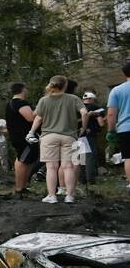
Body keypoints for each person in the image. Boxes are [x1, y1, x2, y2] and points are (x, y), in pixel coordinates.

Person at [28, 74, 87, 204]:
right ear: (65, 85)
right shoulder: (73, 98)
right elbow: (84, 112)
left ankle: (52, 196)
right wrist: (83, 127)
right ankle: (70, 196)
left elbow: (37, 118)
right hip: (69, 136)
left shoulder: (44, 100)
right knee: (68, 167)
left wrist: (31, 132)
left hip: (49, 136)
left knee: (51, 167)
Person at [6, 82, 39, 199]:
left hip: (19, 136)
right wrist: (41, 108)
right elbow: (30, 117)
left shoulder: (10, 103)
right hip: (24, 138)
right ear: (23, 90)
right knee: (23, 161)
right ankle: (19, 189)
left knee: (28, 160)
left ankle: (23, 186)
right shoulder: (20, 103)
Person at [107, 62, 130, 194]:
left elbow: (111, 114)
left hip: (125, 128)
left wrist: (111, 130)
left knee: (128, 157)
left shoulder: (116, 90)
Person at [78, 91, 103, 186]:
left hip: (77, 134)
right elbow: (101, 123)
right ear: (92, 99)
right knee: (90, 157)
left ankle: (81, 180)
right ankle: (91, 180)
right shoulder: (96, 108)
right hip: (89, 135)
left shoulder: (78, 108)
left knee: (81, 158)